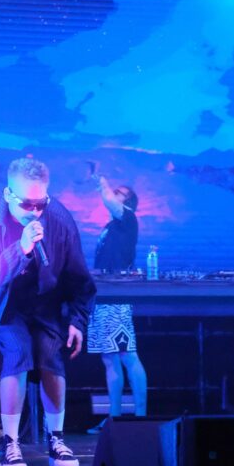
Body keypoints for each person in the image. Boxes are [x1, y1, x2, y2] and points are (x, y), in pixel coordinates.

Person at [0, 157, 96, 466]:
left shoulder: (59, 219)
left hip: (45, 300)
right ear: (8, 194)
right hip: (3, 300)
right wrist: (21, 248)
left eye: (41, 204)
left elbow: (79, 277)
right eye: (27, 204)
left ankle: (57, 439)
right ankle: (11, 444)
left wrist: (77, 320)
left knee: (50, 353)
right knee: (18, 348)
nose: (35, 212)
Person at [86, 175, 147, 434]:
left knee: (127, 354)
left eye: (119, 192)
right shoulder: (113, 225)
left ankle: (141, 417)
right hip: (103, 296)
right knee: (109, 357)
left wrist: (102, 182)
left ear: (128, 202)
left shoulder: (128, 219)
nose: (114, 193)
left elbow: (109, 200)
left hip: (118, 296)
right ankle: (114, 418)